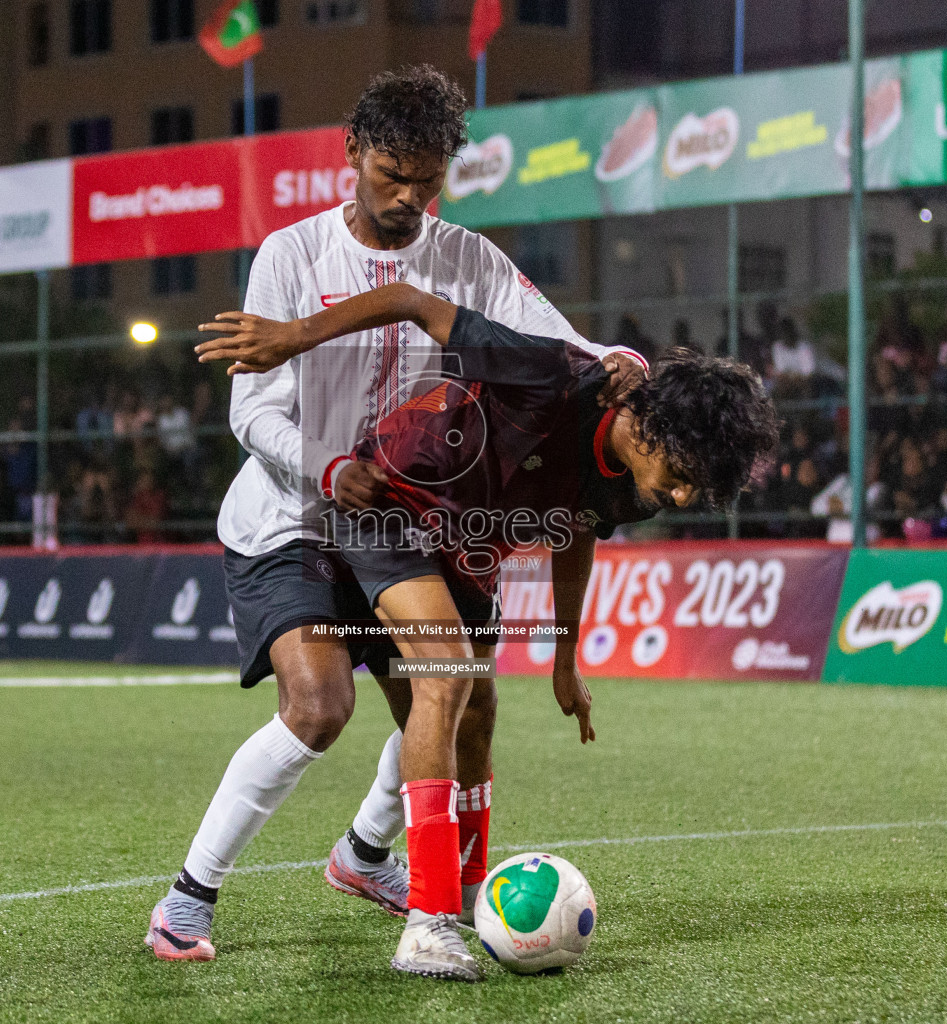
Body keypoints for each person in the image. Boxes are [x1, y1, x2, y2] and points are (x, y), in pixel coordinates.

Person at [146, 65, 648, 970]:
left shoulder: (469, 259)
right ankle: (188, 896)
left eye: (428, 178)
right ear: (352, 154)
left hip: (395, 525)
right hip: (294, 516)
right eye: (393, 174)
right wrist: (330, 466)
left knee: (457, 693)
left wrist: (620, 358)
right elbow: (250, 411)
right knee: (321, 704)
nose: (411, 195)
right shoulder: (291, 257)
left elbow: (558, 338)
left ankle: (366, 858)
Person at [197, 280, 778, 980]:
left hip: (465, 546)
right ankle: (427, 923)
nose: (683, 495)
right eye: (683, 474)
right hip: (389, 500)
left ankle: (448, 888)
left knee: (477, 709)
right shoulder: (557, 375)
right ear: (649, 427)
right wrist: (292, 337)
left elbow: (578, 534)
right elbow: (412, 301)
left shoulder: (638, 483)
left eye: (699, 486)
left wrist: (567, 659)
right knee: (444, 677)